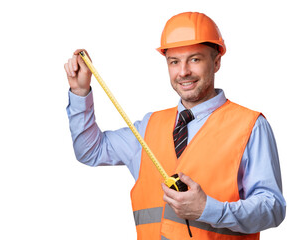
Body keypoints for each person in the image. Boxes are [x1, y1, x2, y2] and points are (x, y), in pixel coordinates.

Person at [64, 12, 286, 240]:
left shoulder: (250, 126)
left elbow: (273, 208)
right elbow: (90, 151)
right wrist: (80, 93)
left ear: (216, 61)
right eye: (174, 62)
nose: (183, 72)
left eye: (195, 59)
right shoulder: (149, 127)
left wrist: (208, 210)